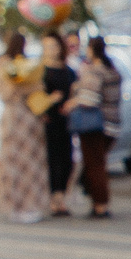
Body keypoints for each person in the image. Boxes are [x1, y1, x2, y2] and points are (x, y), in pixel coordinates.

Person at [0, 32, 50, 225]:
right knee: (25, 163)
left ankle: (22, 205)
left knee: (20, 163)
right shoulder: (9, 65)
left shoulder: (17, 64)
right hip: (22, 116)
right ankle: (22, 205)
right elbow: (7, 92)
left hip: (19, 117)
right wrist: (24, 87)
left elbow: (6, 92)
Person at [70, 35, 124, 219]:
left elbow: (89, 100)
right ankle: (99, 201)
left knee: (95, 166)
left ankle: (100, 204)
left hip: (95, 125)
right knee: (99, 164)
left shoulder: (95, 72)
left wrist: (74, 97)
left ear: (91, 50)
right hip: (114, 124)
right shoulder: (113, 71)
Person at [38, 31, 77, 216]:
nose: (50, 50)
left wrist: (71, 103)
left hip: (66, 120)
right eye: (47, 46)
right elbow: (35, 97)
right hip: (48, 120)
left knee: (67, 159)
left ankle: (62, 195)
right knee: (52, 160)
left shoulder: (68, 70)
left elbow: (75, 90)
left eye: (53, 46)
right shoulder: (39, 71)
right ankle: (55, 198)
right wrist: (48, 104)